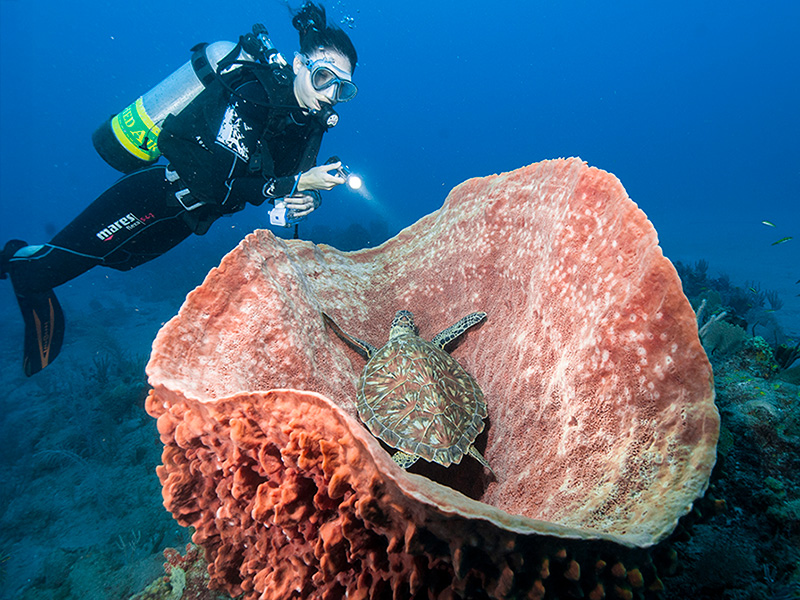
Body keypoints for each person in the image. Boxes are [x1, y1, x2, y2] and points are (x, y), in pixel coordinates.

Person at [0, 2, 358, 376]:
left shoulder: (309, 125)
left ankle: (24, 263)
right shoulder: (253, 92)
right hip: (154, 196)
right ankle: (20, 268)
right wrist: (300, 182)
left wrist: (306, 198)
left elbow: (276, 187)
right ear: (300, 64)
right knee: (56, 264)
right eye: (323, 77)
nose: (331, 93)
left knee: (113, 260)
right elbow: (219, 184)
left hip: (186, 220)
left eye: (343, 88)